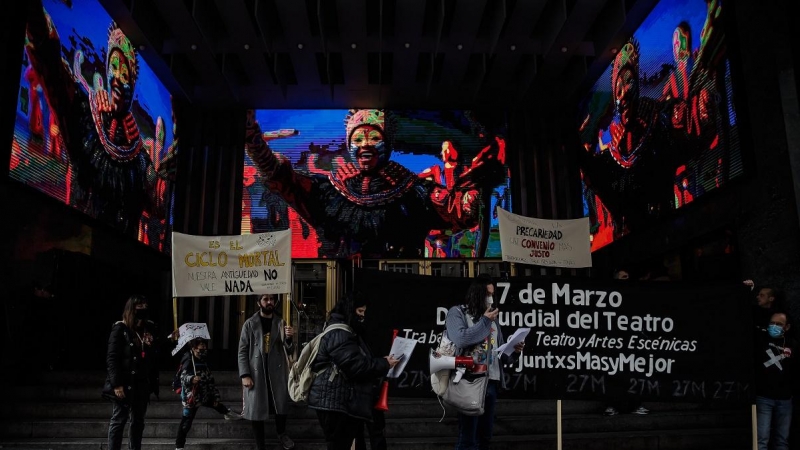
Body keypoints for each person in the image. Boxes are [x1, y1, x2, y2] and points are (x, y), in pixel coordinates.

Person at [244, 109, 507, 258]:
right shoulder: (331, 191)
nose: (365, 145)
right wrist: (255, 144)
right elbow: (285, 181)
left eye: (373, 137)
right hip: (348, 286)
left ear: (388, 144)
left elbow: (459, 212)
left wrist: (477, 177)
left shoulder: (412, 189)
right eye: (358, 139)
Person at [24, 0, 173, 238]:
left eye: (124, 72)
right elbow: (53, 71)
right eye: (113, 67)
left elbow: (158, 204)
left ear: (132, 85)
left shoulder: (139, 160)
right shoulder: (86, 119)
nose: (116, 76)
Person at [578, 0, 725, 238]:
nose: (624, 91)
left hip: (673, 229)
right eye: (619, 85)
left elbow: (694, 124)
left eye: (629, 82)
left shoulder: (659, 118)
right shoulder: (612, 154)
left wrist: (708, 72)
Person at [307, 292, 400, 450]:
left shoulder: (341, 330)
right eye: (360, 312)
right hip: (335, 404)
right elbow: (355, 366)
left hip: (336, 401)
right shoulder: (340, 333)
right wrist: (384, 364)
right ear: (350, 310)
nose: (363, 316)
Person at [444, 273, 524, 450]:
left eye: (492, 295)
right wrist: (485, 322)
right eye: (487, 294)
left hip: (491, 381)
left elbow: (499, 352)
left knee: (485, 436)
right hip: (469, 381)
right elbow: (461, 339)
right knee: (468, 437)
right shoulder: (457, 313)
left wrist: (513, 350)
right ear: (476, 294)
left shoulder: (493, 320)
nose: (490, 299)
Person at [238, 294, 298, 450]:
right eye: (265, 299)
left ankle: (282, 434)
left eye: (271, 299)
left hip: (277, 371)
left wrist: (290, 339)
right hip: (256, 371)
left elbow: (290, 351)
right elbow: (242, 351)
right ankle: (260, 445)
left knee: (280, 404)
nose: (269, 302)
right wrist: (245, 374)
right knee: (257, 408)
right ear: (259, 302)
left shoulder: (281, 323)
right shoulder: (249, 324)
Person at [103, 295, 161, 450]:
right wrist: (117, 384)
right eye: (139, 306)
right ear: (131, 309)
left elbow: (155, 355)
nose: (142, 309)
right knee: (119, 419)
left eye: (145, 305)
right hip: (125, 381)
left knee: (138, 421)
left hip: (142, 382)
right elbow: (112, 358)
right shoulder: (120, 329)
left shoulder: (149, 328)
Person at [174, 338, 242, 450]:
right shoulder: (188, 360)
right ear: (194, 348)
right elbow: (182, 377)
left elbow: (210, 379)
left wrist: (215, 395)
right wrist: (191, 379)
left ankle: (227, 413)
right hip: (191, 396)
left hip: (204, 393)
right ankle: (179, 446)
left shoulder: (202, 360)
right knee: (186, 421)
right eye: (200, 347)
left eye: (204, 347)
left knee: (216, 404)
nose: (203, 349)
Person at [604, 268, 650, 416]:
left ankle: (635, 404)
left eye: (628, 277)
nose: (627, 280)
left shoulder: (634, 297)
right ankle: (613, 405)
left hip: (631, 343)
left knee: (634, 373)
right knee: (615, 374)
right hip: (615, 343)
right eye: (623, 277)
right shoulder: (608, 298)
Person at [351, 291, 388, 450]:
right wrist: (381, 363)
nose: (362, 315)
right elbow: (359, 363)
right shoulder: (348, 333)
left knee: (372, 432)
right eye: (360, 311)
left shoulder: (360, 330)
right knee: (366, 433)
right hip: (358, 390)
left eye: (364, 312)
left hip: (367, 389)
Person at [754, 311, 795, 450]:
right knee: (761, 440)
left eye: (779, 324)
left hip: (785, 399)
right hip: (764, 397)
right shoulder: (761, 340)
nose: (774, 326)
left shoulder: (792, 344)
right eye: (772, 323)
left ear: (787, 327)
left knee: (782, 441)